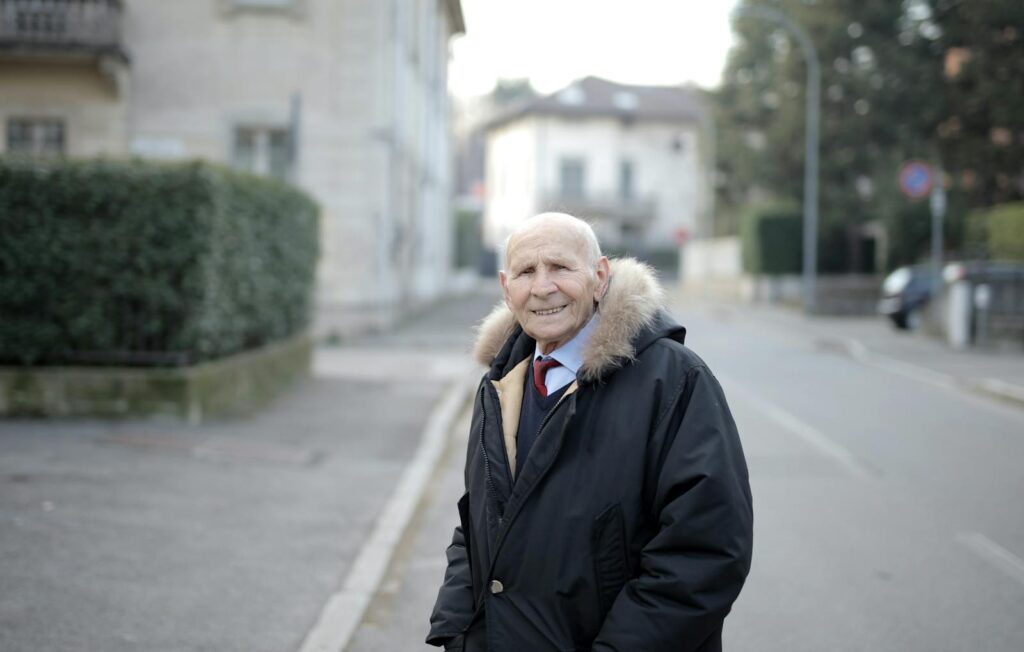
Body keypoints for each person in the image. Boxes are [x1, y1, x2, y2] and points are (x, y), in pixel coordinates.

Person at [427, 212, 753, 652]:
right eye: (526, 272)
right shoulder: (501, 384)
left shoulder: (674, 380)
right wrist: (456, 631)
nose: (543, 287)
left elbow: (705, 551)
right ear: (507, 289)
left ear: (600, 277)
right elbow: (478, 525)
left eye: (560, 267)